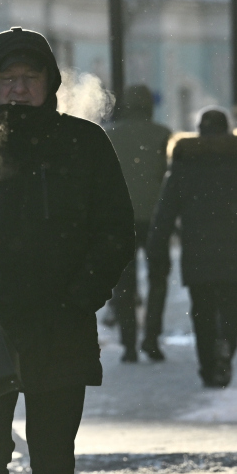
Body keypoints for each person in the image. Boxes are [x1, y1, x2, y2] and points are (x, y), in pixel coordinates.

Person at [0, 27, 134, 472]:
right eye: (8, 77)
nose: (19, 88)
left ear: (50, 81)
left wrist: (81, 295)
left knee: (54, 453)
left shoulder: (84, 143)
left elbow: (114, 228)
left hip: (59, 325)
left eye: (30, 77)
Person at [147, 107, 237, 388]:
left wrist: (157, 248)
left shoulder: (185, 164)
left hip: (197, 253)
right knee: (231, 308)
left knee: (203, 312)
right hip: (233, 252)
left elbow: (165, 212)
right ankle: (225, 350)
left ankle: (208, 368)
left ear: (200, 130)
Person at [105, 85, 172, 363]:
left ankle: (129, 344)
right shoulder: (163, 135)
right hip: (154, 218)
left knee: (124, 284)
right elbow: (167, 178)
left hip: (121, 219)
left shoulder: (110, 135)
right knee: (158, 280)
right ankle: (152, 339)